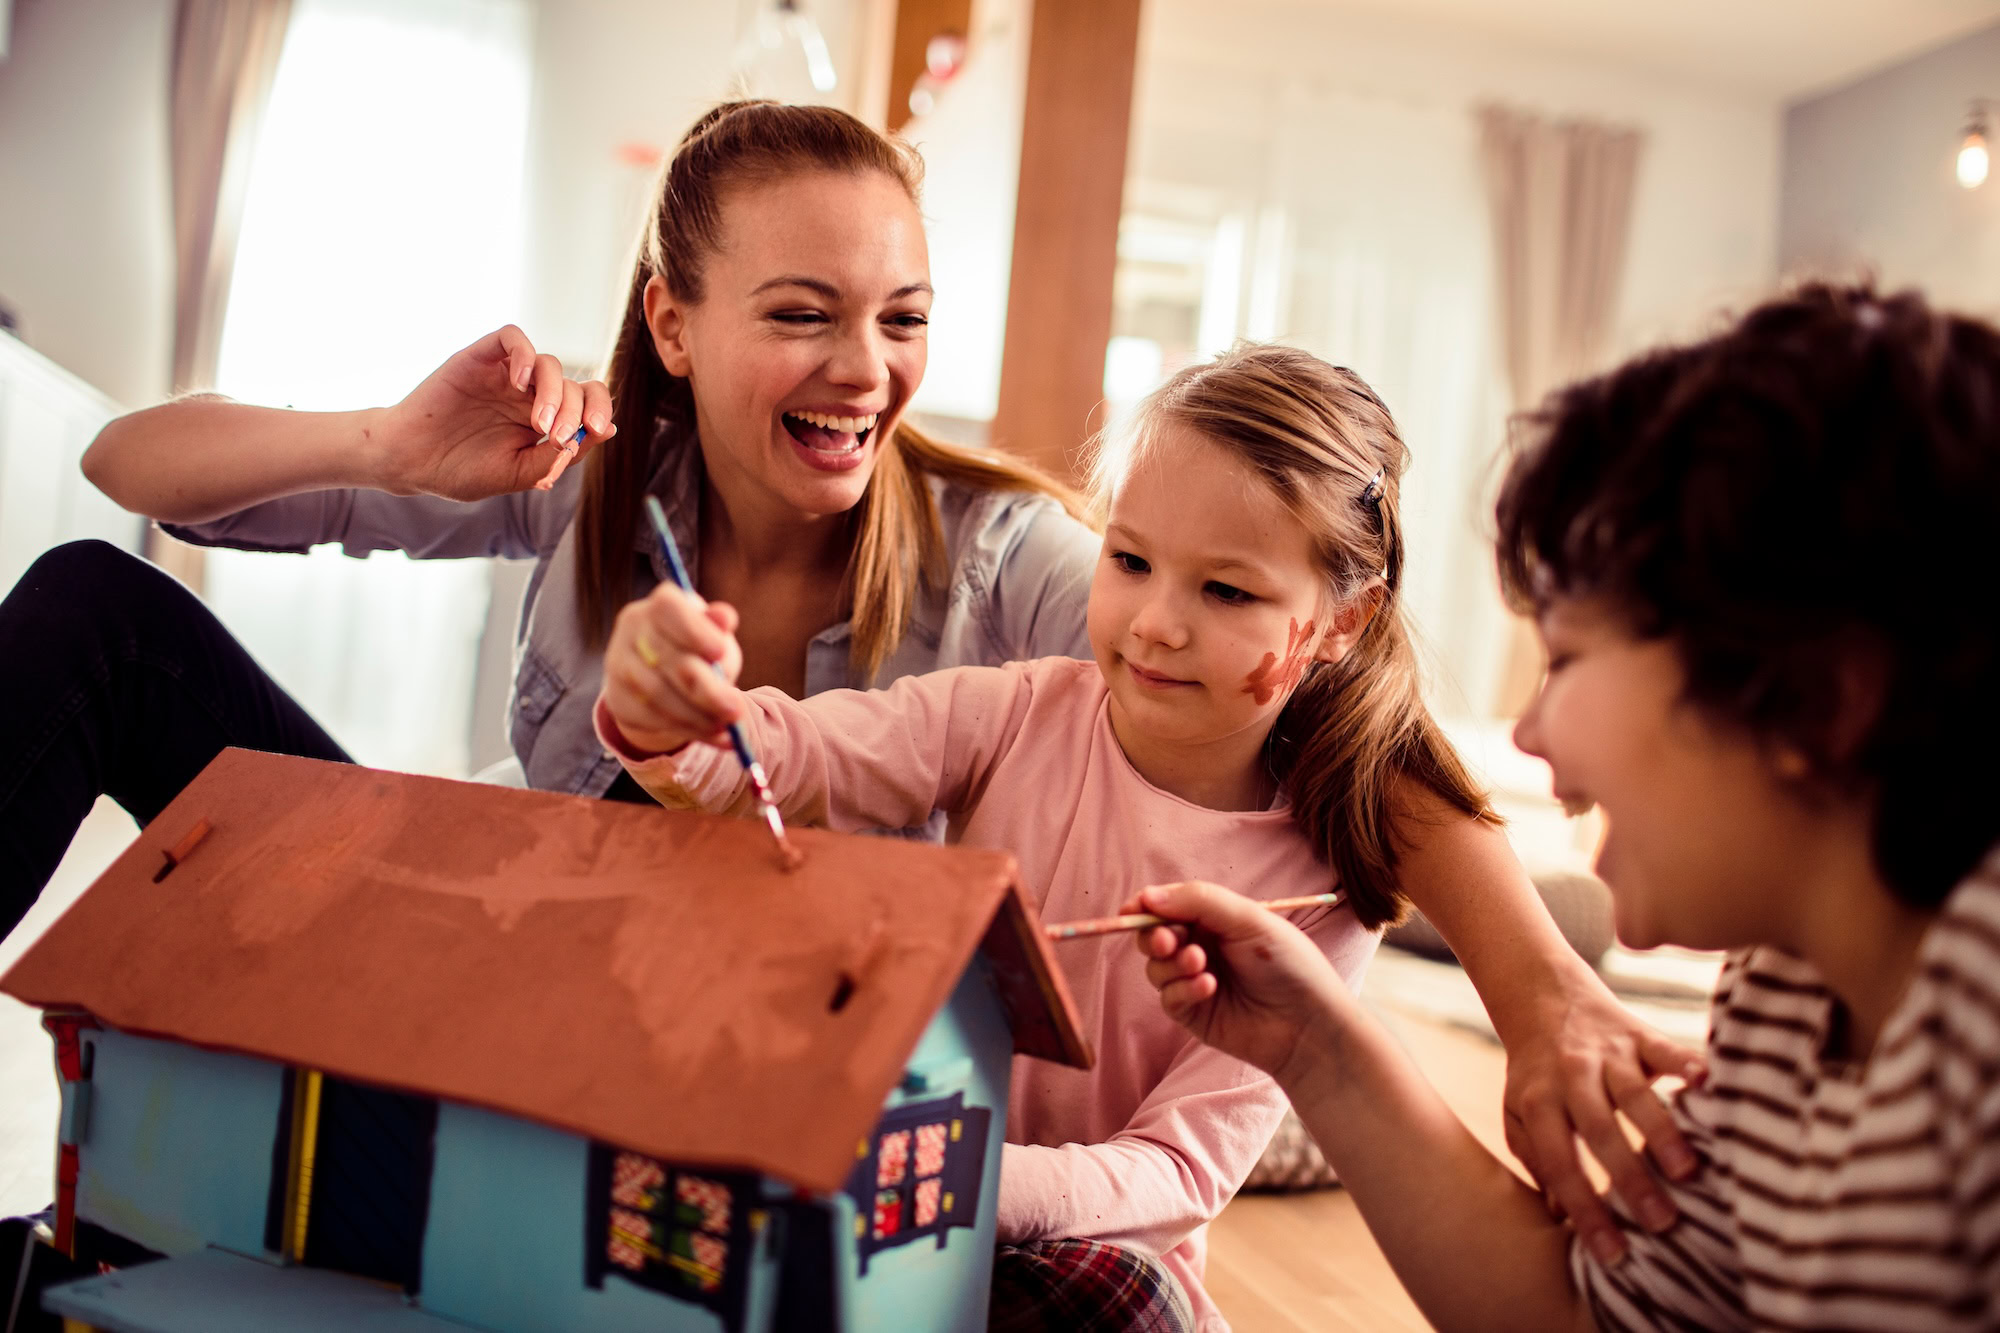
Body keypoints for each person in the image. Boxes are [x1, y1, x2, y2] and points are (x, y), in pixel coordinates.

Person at [4, 99, 1689, 1311]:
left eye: (901, 318)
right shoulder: (585, 476)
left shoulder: (1023, 564)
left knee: (657, 839)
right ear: (670, 320)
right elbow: (124, 466)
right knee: (89, 608)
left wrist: (1539, 990)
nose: (864, 367)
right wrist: (384, 446)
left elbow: (1333, 737)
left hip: (720, 1106)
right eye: (799, 314)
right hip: (491, 1001)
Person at [597, 342, 1625, 1329]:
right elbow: (794, 756)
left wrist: (966, 1185)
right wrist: (672, 710)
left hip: (1083, 1258)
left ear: (1339, 623)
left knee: (1108, 1292)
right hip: (893, 1213)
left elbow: (1176, 1171)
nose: (1154, 623)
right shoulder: (1011, 713)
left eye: (1225, 590)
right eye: (1128, 560)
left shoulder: (1324, 883)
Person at [1133, 283, 2000, 1331]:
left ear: (1813, 700)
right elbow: (1606, 1322)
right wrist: (1313, 1042)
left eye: (1570, 658)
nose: (1531, 731)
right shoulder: (1780, 993)